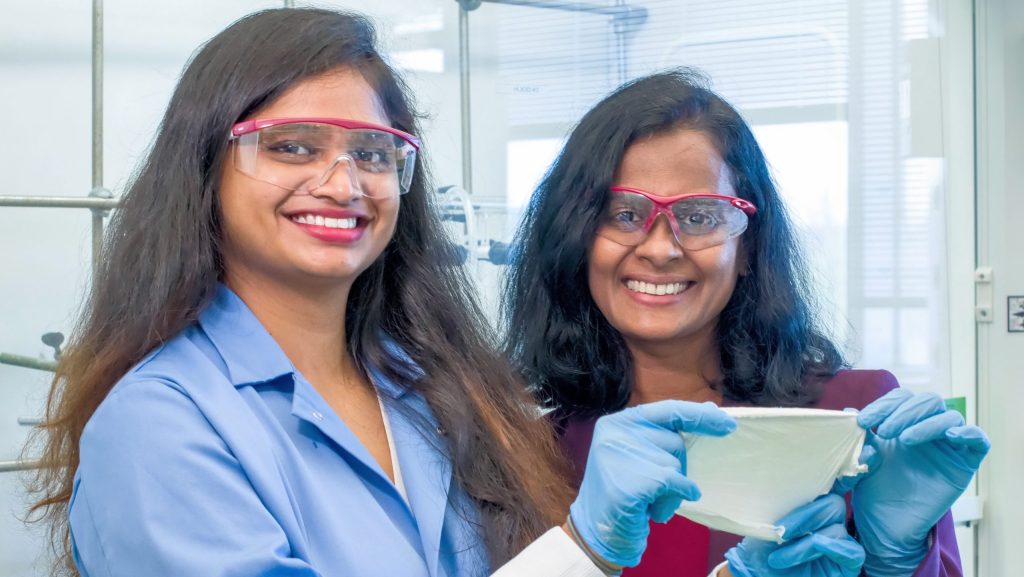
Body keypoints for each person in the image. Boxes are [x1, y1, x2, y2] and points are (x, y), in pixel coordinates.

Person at [25, 11, 742, 577]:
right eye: (292, 146)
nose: (343, 184)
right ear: (205, 165)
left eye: (372, 153)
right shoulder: (158, 427)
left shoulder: (428, 393)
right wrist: (582, 547)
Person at [504, 69, 990, 577]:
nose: (660, 249)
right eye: (625, 214)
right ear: (575, 237)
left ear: (748, 248)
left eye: (699, 217)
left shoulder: (855, 418)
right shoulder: (525, 453)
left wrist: (900, 560)